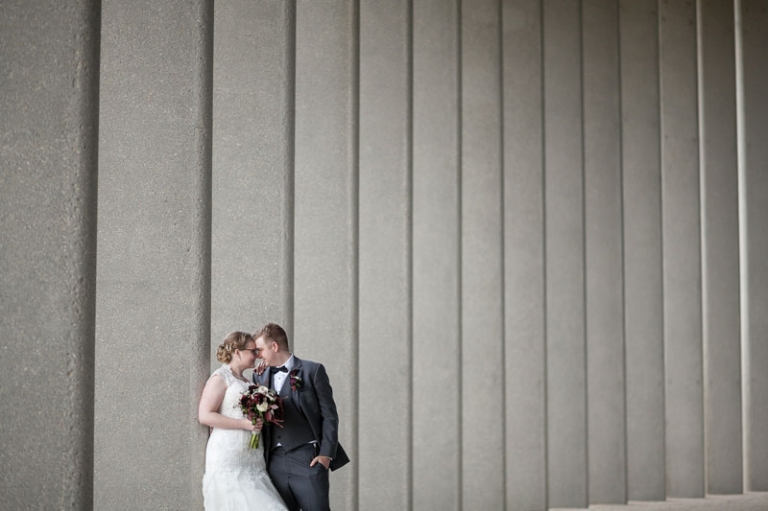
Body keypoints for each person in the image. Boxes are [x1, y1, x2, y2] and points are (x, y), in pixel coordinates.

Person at [252, 322, 350, 511]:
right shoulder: (259, 377)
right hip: (274, 462)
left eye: (260, 350)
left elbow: (329, 415)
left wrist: (325, 455)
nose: (258, 356)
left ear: (274, 346)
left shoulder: (312, 371)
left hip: (308, 459)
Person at [198, 331, 288, 510]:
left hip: (251, 457)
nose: (257, 355)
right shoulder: (220, 378)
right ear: (237, 352)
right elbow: (205, 415)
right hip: (228, 455)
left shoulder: (248, 382)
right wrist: (244, 424)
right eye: (253, 351)